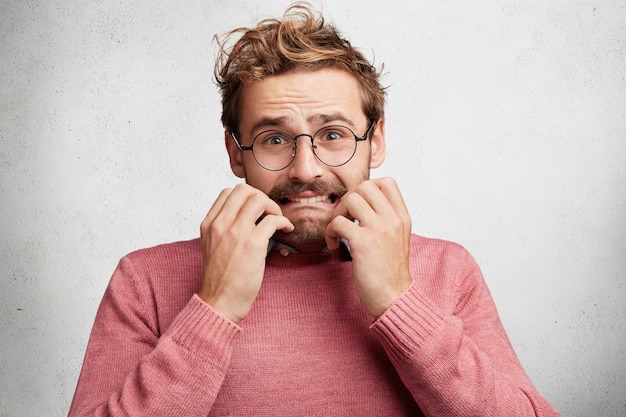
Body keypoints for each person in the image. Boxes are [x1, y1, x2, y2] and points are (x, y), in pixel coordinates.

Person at [69, 3, 562, 416]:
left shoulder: (449, 270)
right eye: (275, 138)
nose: (305, 169)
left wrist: (399, 300)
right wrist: (213, 309)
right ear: (235, 152)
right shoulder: (144, 280)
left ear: (377, 140)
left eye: (333, 135)